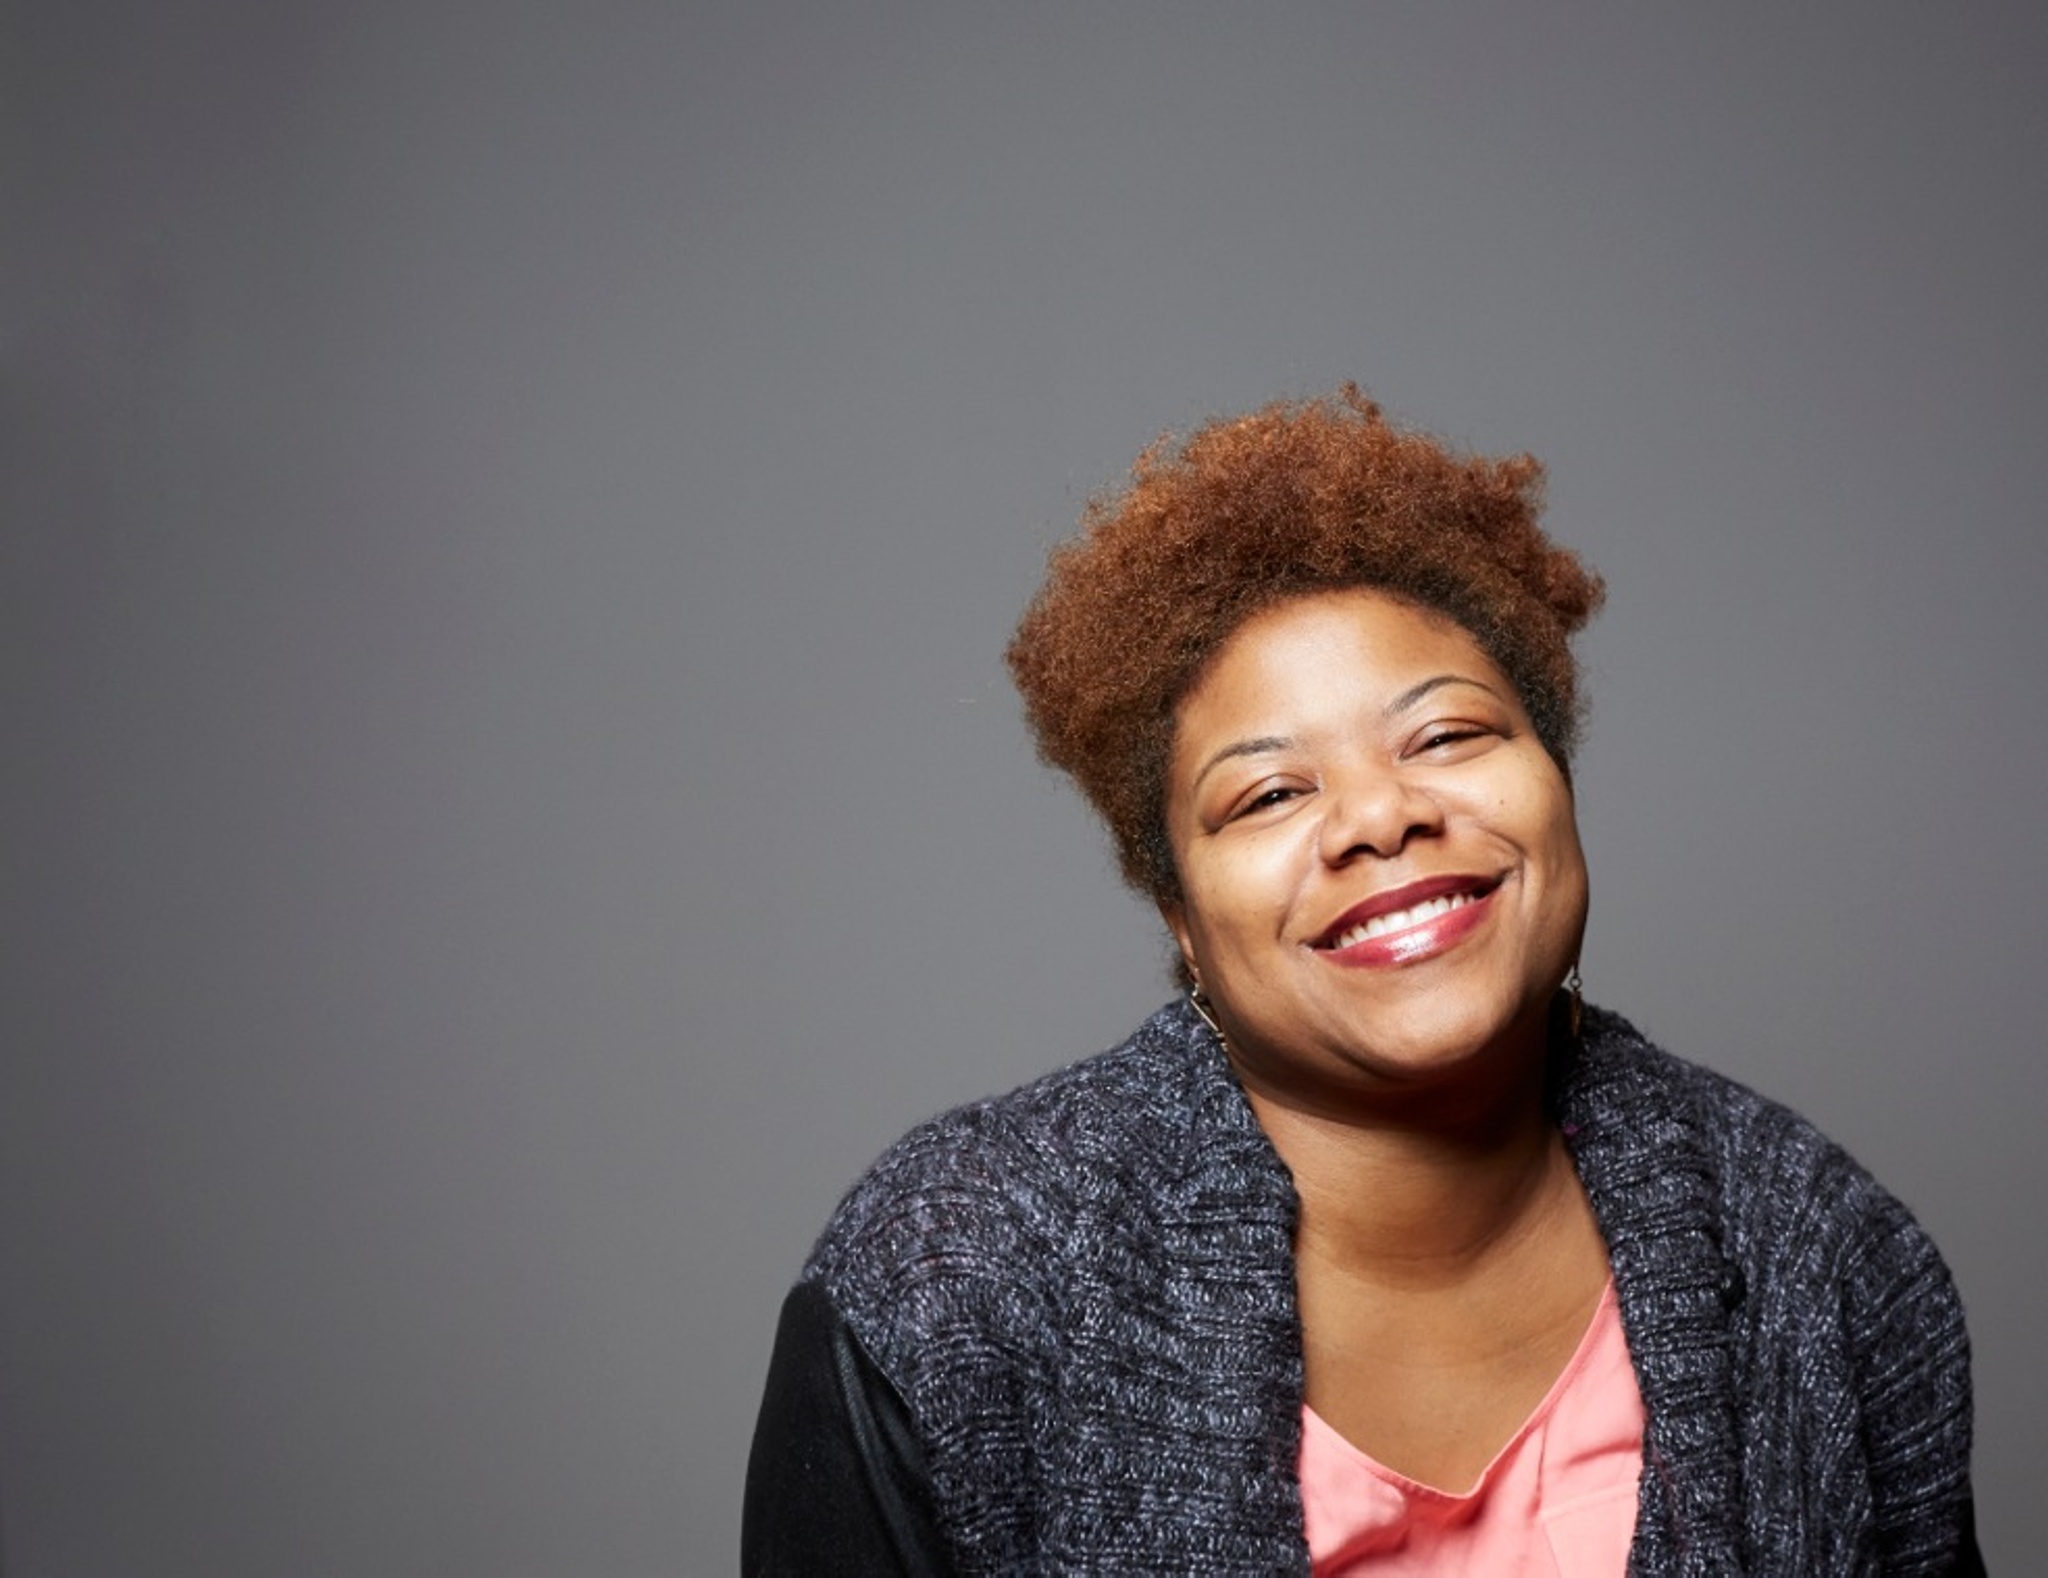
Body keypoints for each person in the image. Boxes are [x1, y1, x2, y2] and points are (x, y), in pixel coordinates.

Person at [741, 388, 1980, 1574]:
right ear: (1178, 914)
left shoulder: (1818, 1250)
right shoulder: (951, 1281)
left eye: (1445, 736)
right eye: (1270, 794)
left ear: (1555, 783)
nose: (1379, 818)